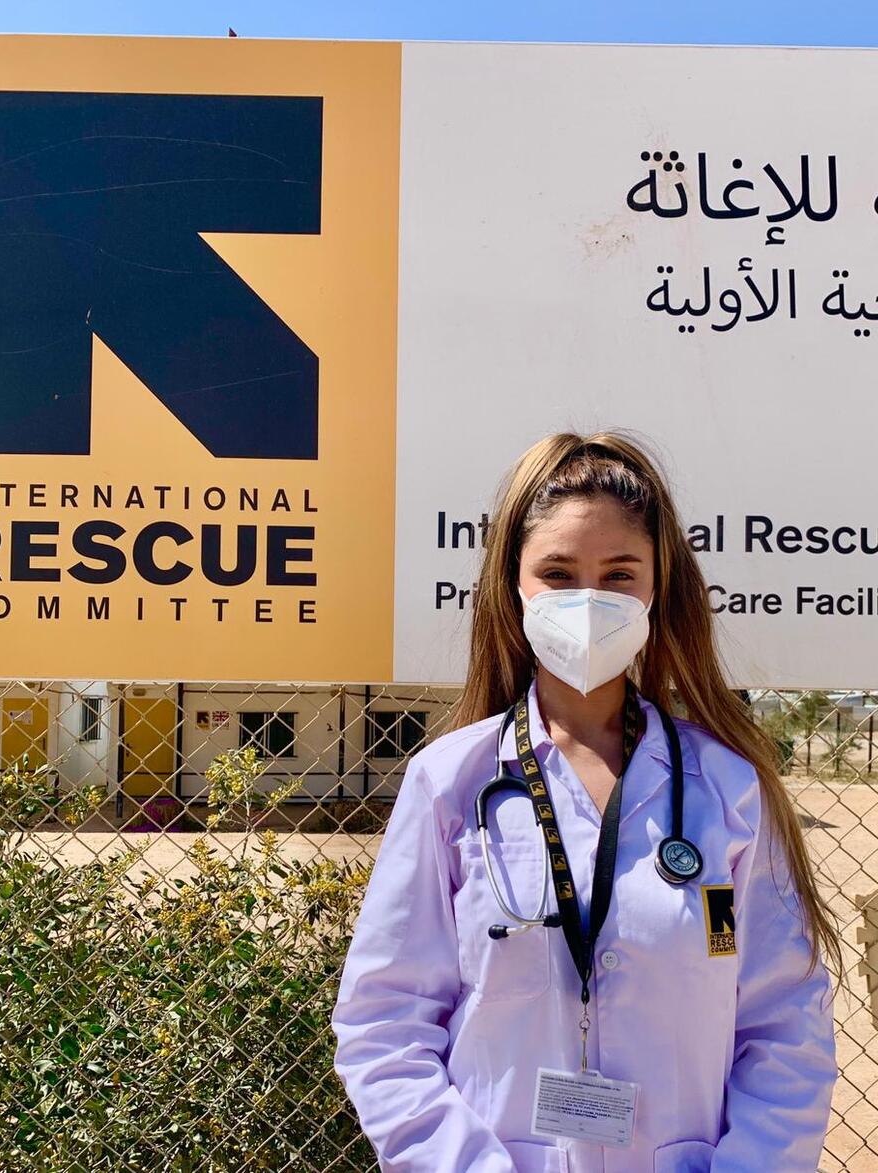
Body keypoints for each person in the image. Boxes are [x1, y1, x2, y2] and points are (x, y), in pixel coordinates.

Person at [332, 431, 840, 1173]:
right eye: (559, 573)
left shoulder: (728, 790)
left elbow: (784, 1025)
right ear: (516, 587)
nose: (589, 601)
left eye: (619, 574)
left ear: (657, 587)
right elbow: (385, 1024)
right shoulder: (451, 783)